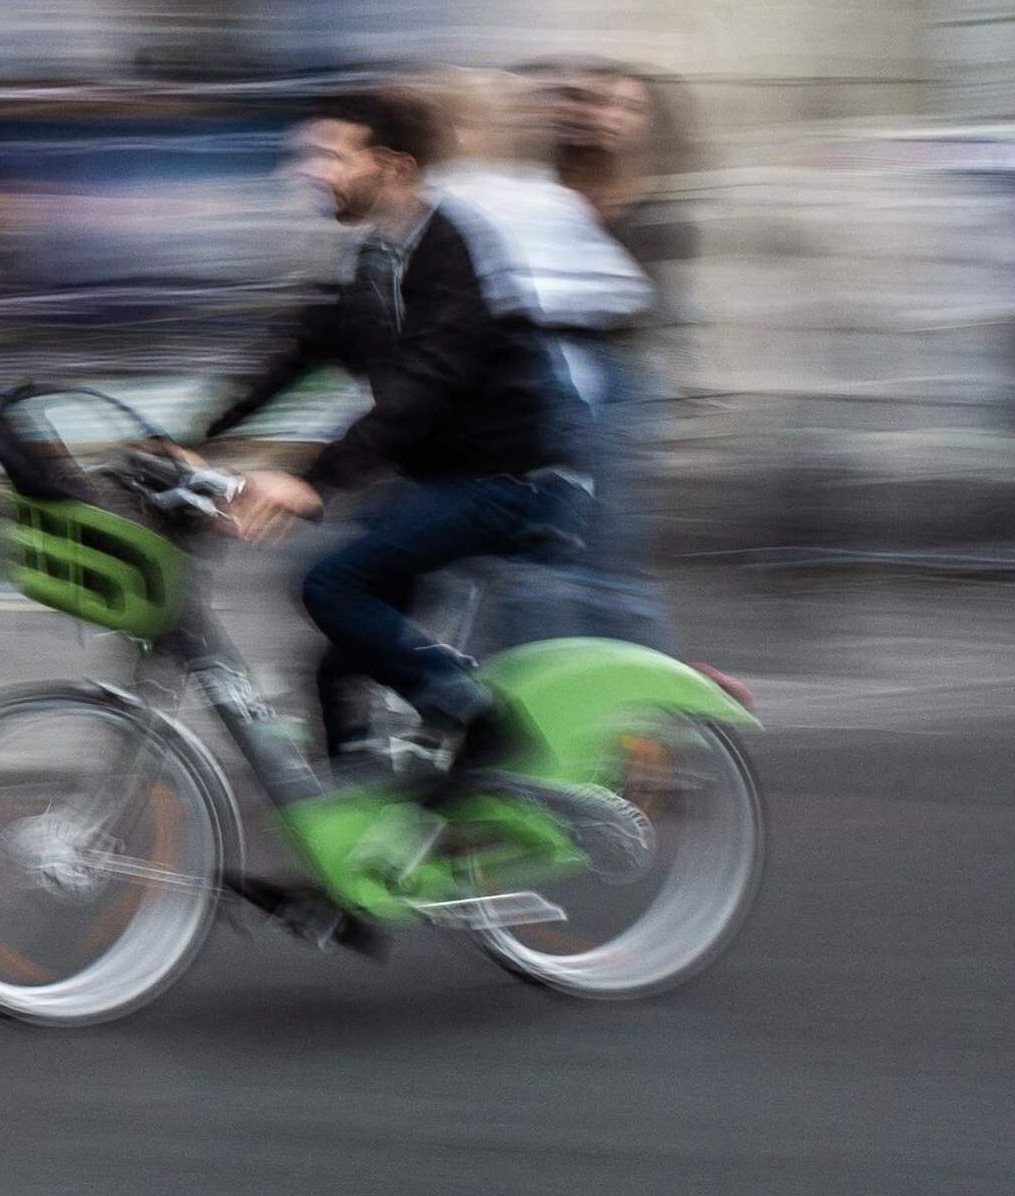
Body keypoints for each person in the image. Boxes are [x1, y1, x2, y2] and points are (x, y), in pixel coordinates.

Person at [194, 87, 621, 800]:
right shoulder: (375, 259)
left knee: (331, 586)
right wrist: (191, 438)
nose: (307, 170)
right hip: (451, 482)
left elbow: (423, 390)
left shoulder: (454, 253)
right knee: (337, 665)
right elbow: (296, 352)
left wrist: (313, 481)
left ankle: (482, 721)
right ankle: (356, 862)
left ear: (390, 166)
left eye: (329, 154)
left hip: (517, 482)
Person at [497, 57, 690, 648]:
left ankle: (649, 699)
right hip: (538, 381)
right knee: (535, 548)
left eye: (628, 108)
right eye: (599, 103)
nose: (608, 118)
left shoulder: (657, 207)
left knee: (605, 546)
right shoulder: (548, 187)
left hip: (614, 383)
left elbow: (630, 307)